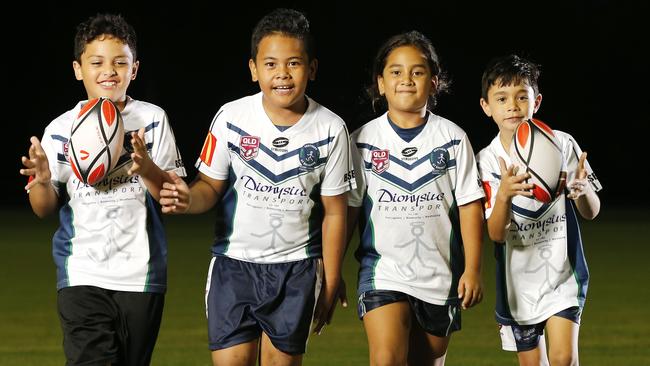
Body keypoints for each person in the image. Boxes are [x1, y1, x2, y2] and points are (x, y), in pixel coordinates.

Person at [158, 8, 354, 366]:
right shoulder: (232, 117)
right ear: (253, 69)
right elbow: (209, 189)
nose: (282, 74)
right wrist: (187, 199)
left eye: (294, 63)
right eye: (271, 64)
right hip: (234, 266)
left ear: (311, 68)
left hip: (296, 269)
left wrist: (333, 275)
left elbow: (336, 212)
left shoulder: (330, 128)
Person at [18, 13, 185, 366]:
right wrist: (44, 180)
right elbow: (43, 207)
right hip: (81, 272)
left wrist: (149, 169)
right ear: (78, 69)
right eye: (97, 62)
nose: (109, 70)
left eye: (119, 62)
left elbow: (170, 196)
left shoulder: (152, 119)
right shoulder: (61, 128)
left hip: (141, 273)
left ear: (134, 69)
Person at [347, 30, 485, 366]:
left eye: (417, 72)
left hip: (439, 276)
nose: (406, 80)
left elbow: (469, 206)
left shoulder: (452, 139)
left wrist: (473, 268)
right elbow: (348, 210)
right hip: (382, 272)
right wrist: (331, 270)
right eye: (395, 72)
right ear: (380, 83)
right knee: (387, 359)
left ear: (435, 82)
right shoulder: (361, 141)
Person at [476, 54, 602, 366]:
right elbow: (495, 233)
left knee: (562, 359)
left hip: (562, 274)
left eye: (522, 96)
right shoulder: (487, 161)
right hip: (517, 285)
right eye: (502, 98)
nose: (513, 106)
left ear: (537, 101)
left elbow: (591, 211)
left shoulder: (561, 144)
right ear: (486, 106)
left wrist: (583, 191)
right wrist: (503, 194)